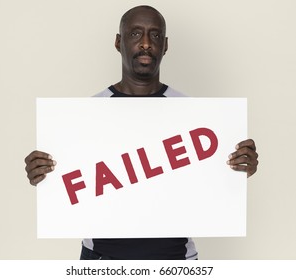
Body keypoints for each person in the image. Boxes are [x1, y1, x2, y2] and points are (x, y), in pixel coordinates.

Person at [24, 5, 259, 260]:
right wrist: (43, 174)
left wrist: (238, 167)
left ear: (165, 45)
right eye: (135, 34)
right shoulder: (84, 116)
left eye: (155, 35)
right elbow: (67, 186)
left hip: (176, 261)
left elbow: (211, 183)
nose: (146, 43)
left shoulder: (194, 115)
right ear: (118, 42)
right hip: (102, 260)